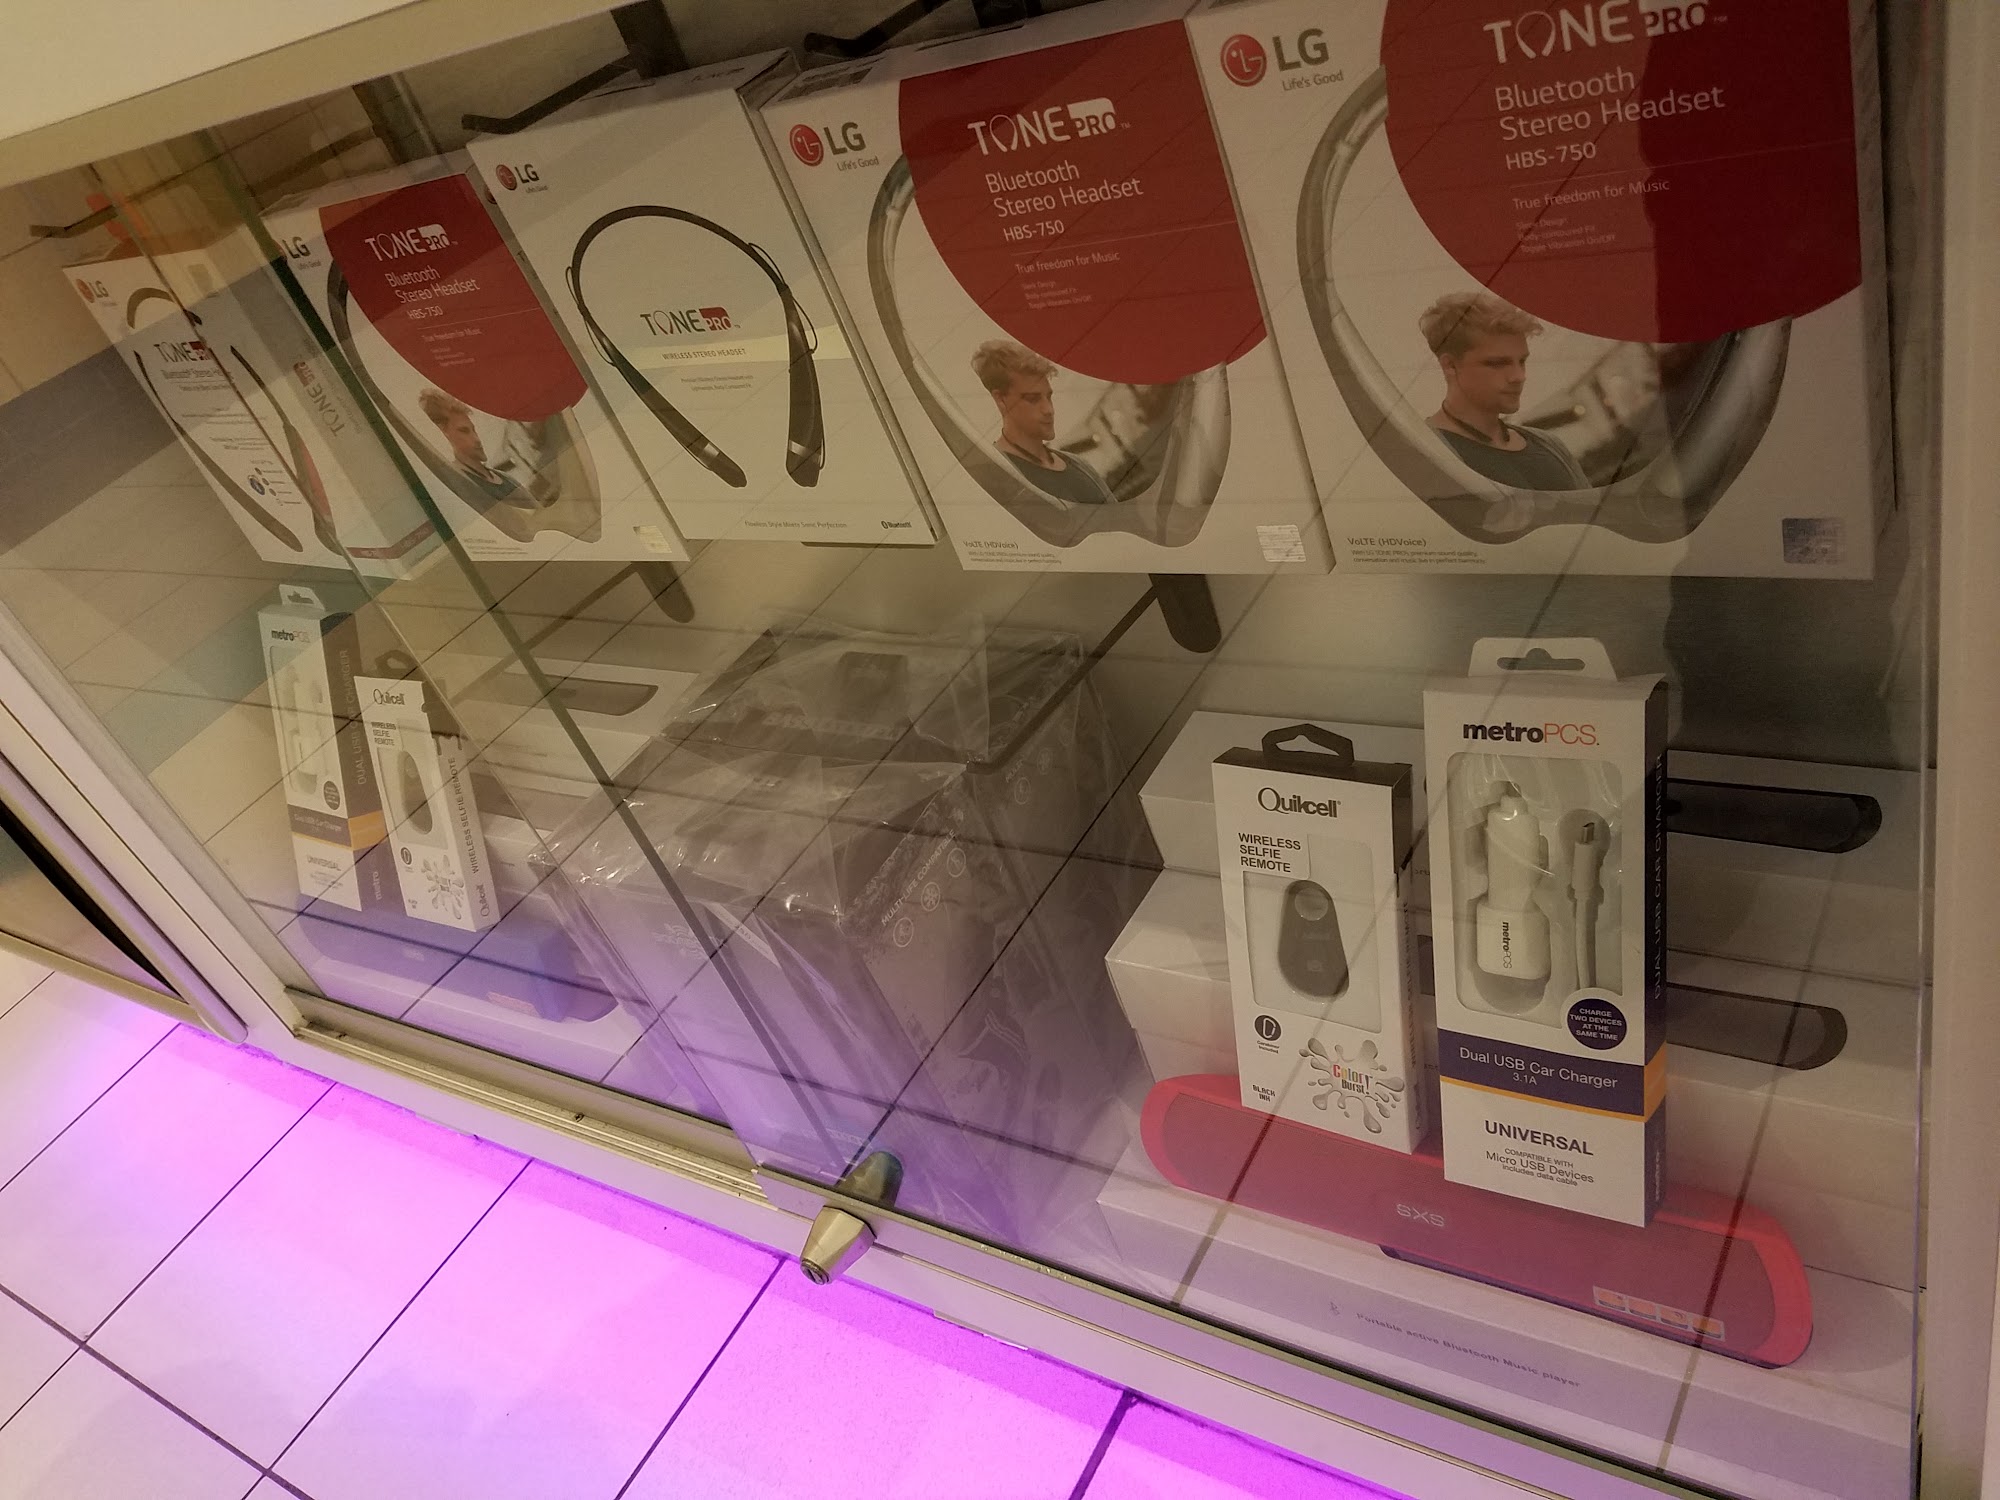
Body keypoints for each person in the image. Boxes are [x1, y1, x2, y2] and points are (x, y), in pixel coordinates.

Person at [1418, 292, 1587, 491]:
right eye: (1498, 363)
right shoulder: (1425, 453)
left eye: (1522, 361)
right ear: (1450, 366)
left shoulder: (1551, 446)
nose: (1519, 376)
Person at [971, 340, 1117, 506]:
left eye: (1048, 396)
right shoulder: (996, 478)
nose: (1048, 409)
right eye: (1033, 399)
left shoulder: (1081, 467)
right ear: (1000, 399)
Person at [416, 387, 531, 507]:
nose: (476, 439)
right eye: (464, 431)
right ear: (444, 433)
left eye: (473, 430)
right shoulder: (458, 484)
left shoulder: (506, 479)